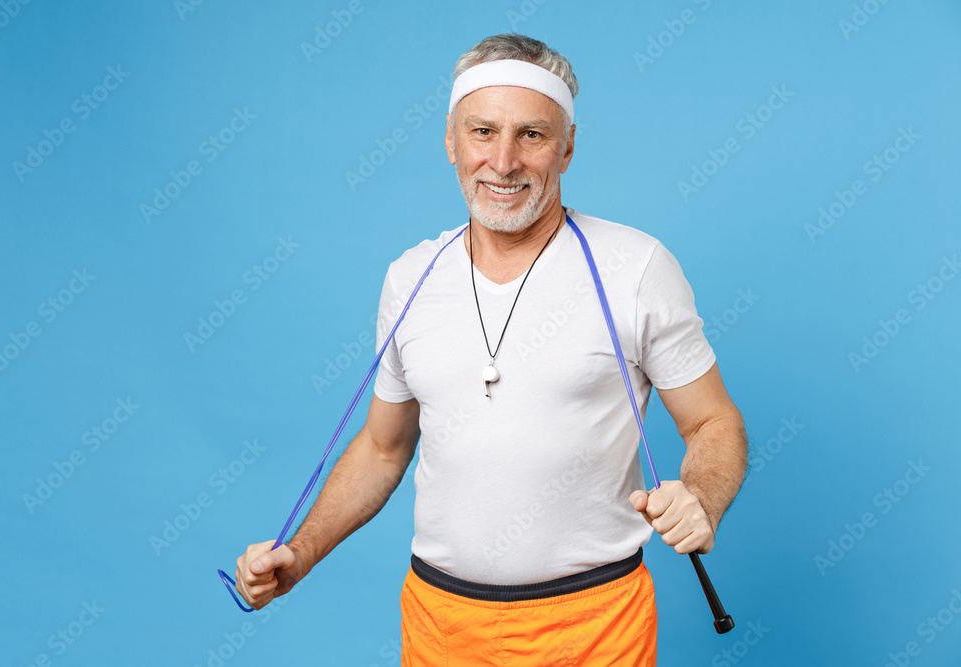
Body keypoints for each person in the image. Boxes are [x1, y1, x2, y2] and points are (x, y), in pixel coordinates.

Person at [234, 33, 746, 665]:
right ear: (451, 141)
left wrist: (701, 497)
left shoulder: (635, 267)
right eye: (482, 131)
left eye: (531, 135)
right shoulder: (410, 278)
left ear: (567, 148)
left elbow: (713, 420)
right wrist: (301, 553)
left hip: (594, 626)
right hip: (440, 625)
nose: (503, 162)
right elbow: (382, 446)